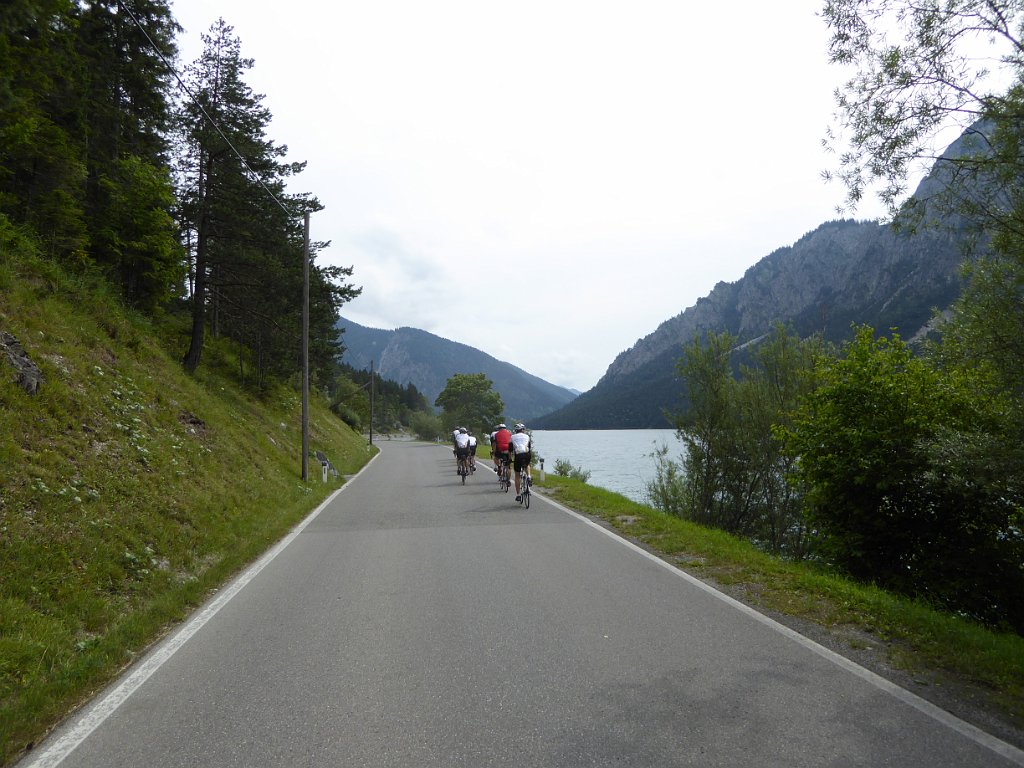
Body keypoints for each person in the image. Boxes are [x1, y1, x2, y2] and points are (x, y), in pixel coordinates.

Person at [509, 423, 532, 501]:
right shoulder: (527, 436)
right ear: (523, 430)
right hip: (526, 453)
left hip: (518, 455)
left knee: (517, 475)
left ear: (515, 431)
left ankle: (518, 495)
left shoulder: (512, 437)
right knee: (527, 465)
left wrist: (509, 459)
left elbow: (510, 450)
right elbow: (529, 447)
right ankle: (529, 476)